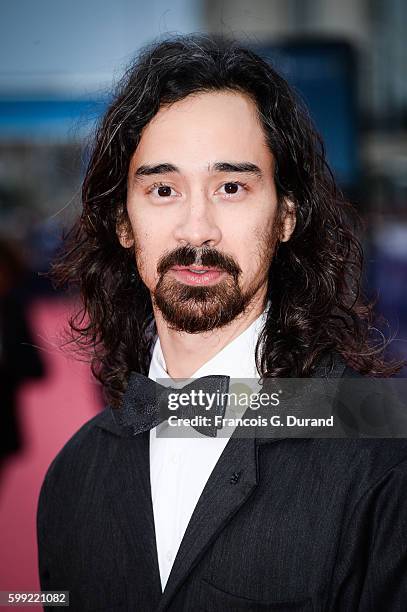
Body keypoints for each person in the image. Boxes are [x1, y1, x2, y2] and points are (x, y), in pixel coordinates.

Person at [37, 35, 407, 611]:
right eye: (163, 190)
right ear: (123, 223)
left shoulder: (385, 456)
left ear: (286, 216)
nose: (195, 229)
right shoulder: (70, 477)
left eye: (231, 187)